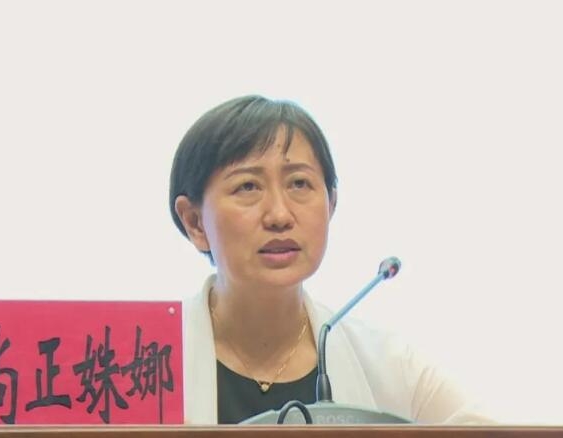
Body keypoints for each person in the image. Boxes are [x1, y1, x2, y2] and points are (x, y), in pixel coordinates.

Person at [169, 95, 489, 425]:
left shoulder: (386, 365)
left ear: (331, 204)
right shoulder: (148, 359)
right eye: (248, 186)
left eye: (299, 183)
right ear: (194, 222)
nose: (279, 215)